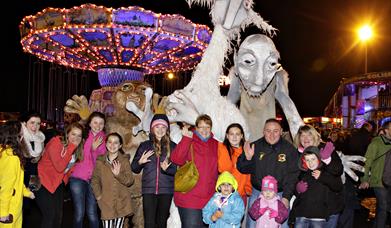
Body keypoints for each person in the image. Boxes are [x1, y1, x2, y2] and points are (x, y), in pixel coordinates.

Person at [237, 118, 299, 228]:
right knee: (252, 224)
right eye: (268, 131)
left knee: (282, 225)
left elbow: (293, 175)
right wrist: (248, 158)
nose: (272, 134)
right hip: (258, 193)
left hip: (281, 194)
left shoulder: (289, 149)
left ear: (281, 131)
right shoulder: (255, 146)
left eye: (275, 131)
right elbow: (242, 168)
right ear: (263, 131)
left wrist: (286, 197)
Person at [171, 114, 219, 227]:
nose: (204, 130)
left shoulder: (216, 145)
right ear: (196, 128)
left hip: (209, 199)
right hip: (189, 198)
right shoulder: (189, 140)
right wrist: (186, 139)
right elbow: (176, 159)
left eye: (207, 127)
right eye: (201, 127)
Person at [131, 114, 177, 228]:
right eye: (157, 127)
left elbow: (176, 170)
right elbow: (134, 168)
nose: (160, 130)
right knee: (149, 223)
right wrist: (140, 162)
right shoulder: (144, 146)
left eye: (163, 127)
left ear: (167, 129)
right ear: (152, 128)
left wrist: (168, 169)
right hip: (149, 190)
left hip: (166, 190)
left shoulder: (173, 146)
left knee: (162, 223)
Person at [293, 125, 344, 228]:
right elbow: (293, 178)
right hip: (305, 208)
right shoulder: (297, 154)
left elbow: (338, 171)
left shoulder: (325, 150)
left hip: (328, 208)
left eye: (309, 134)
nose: (306, 138)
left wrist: (327, 160)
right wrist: (297, 189)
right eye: (302, 135)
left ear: (315, 136)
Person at [35, 122, 84, 228]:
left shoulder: (76, 150)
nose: (76, 138)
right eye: (73, 134)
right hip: (43, 182)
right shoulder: (56, 142)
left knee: (58, 217)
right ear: (67, 134)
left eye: (79, 135)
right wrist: (71, 148)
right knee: (50, 216)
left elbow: (68, 169)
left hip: (57, 183)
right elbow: (60, 167)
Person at [69, 112, 106, 228]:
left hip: (94, 180)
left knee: (92, 213)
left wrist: (94, 150)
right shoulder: (82, 136)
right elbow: (76, 155)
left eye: (101, 123)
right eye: (95, 122)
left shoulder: (105, 139)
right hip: (77, 178)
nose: (98, 125)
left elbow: (100, 163)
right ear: (89, 123)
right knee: (79, 213)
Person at [91, 133, 135, 228]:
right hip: (106, 202)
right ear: (106, 144)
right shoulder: (100, 161)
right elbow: (95, 180)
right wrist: (98, 196)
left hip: (121, 202)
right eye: (110, 142)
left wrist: (118, 175)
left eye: (116, 143)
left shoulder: (124, 161)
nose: (112, 145)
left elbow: (130, 180)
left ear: (120, 146)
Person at [0, 121, 35, 227]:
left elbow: (16, 181)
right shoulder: (11, 158)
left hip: (12, 203)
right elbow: (6, 186)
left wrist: (26, 192)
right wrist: (3, 212)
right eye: (22, 133)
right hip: (10, 207)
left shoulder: (5, 152)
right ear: (17, 137)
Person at [359, 120, 391, 228]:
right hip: (378, 180)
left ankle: (377, 225)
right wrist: (365, 179)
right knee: (383, 206)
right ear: (386, 130)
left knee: (381, 207)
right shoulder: (376, 143)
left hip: (389, 180)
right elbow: (367, 162)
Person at [218, 123, 251, 204]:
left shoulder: (247, 151)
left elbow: (249, 173)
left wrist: (248, 187)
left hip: (241, 194)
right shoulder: (222, 149)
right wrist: (223, 148)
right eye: (231, 134)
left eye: (237, 134)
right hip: (225, 194)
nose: (234, 137)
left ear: (242, 136)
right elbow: (224, 169)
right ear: (227, 136)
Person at [19, 112, 45, 192]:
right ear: (24, 123)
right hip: (19, 178)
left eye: (38, 123)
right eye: (32, 122)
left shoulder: (40, 138)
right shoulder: (18, 138)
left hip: (32, 179)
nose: (35, 126)